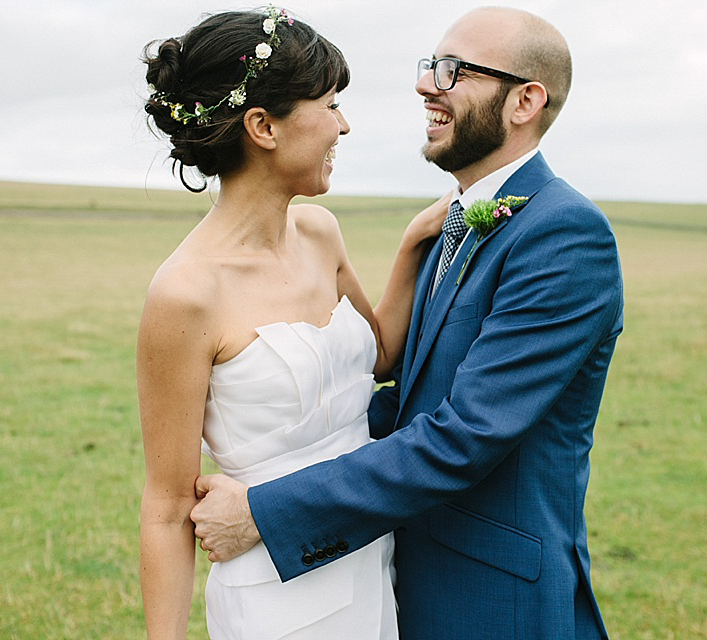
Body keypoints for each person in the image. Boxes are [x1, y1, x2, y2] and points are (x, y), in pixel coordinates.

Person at [192, 6, 624, 640]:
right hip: (393, 578)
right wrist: (275, 445)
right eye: (429, 66)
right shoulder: (459, 220)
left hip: (490, 601)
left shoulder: (563, 235)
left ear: (525, 101)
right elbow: (411, 401)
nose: (427, 85)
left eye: (453, 71)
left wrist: (266, 509)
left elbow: (463, 436)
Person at [136, 7, 450, 639]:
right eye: (330, 104)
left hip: (370, 557)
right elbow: (168, 508)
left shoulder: (318, 232)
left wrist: (415, 241)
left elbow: (381, 355)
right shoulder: (185, 295)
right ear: (263, 126)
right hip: (275, 596)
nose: (344, 125)